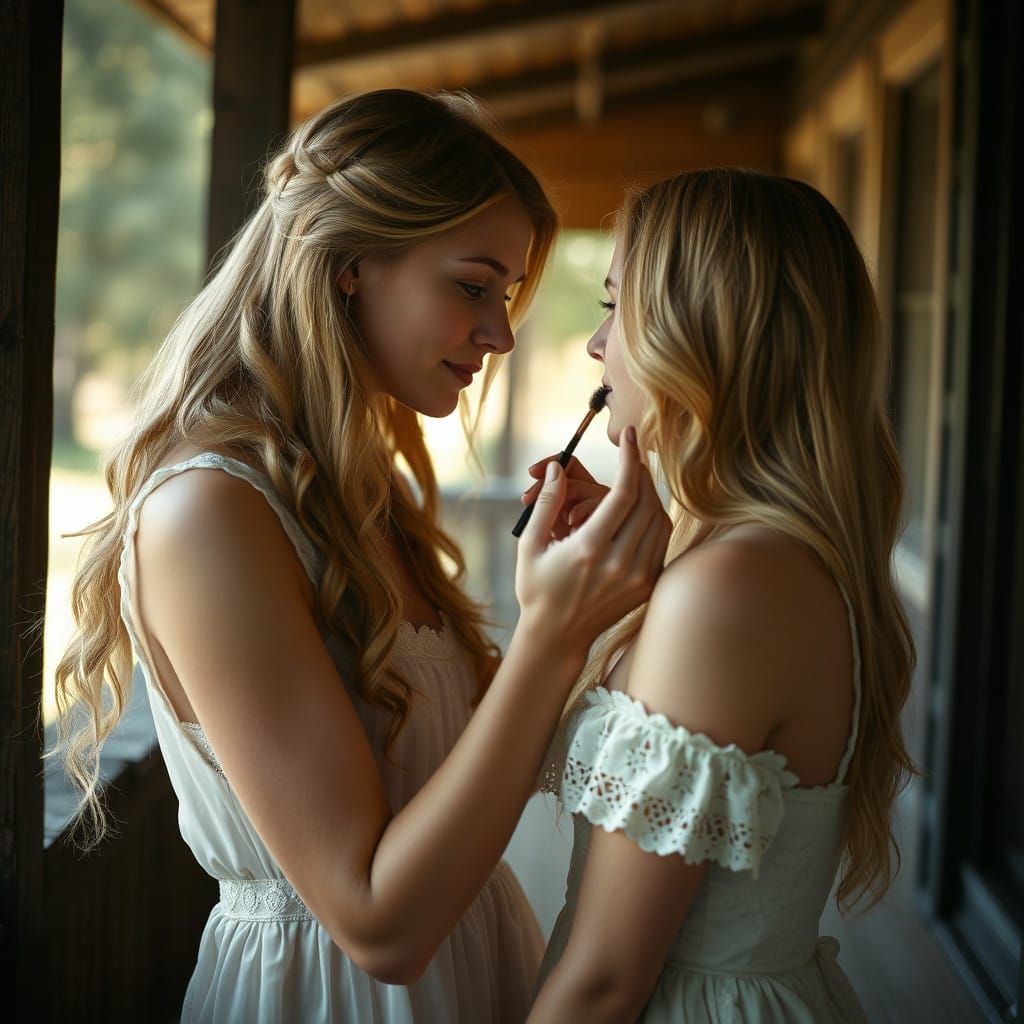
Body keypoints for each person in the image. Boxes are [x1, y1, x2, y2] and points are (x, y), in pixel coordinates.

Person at [52, 89, 671, 1023]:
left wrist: (602, 601)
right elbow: (378, 927)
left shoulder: (350, 490)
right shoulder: (211, 512)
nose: (501, 333)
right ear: (348, 265)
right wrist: (547, 636)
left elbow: (455, 766)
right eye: (472, 286)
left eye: (504, 295)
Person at [519, 169, 916, 1022]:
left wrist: (558, 626)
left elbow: (602, 983)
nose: (595, 345)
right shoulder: (756, 563)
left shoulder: (731, 589)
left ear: (701, 334)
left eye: (614, 305)